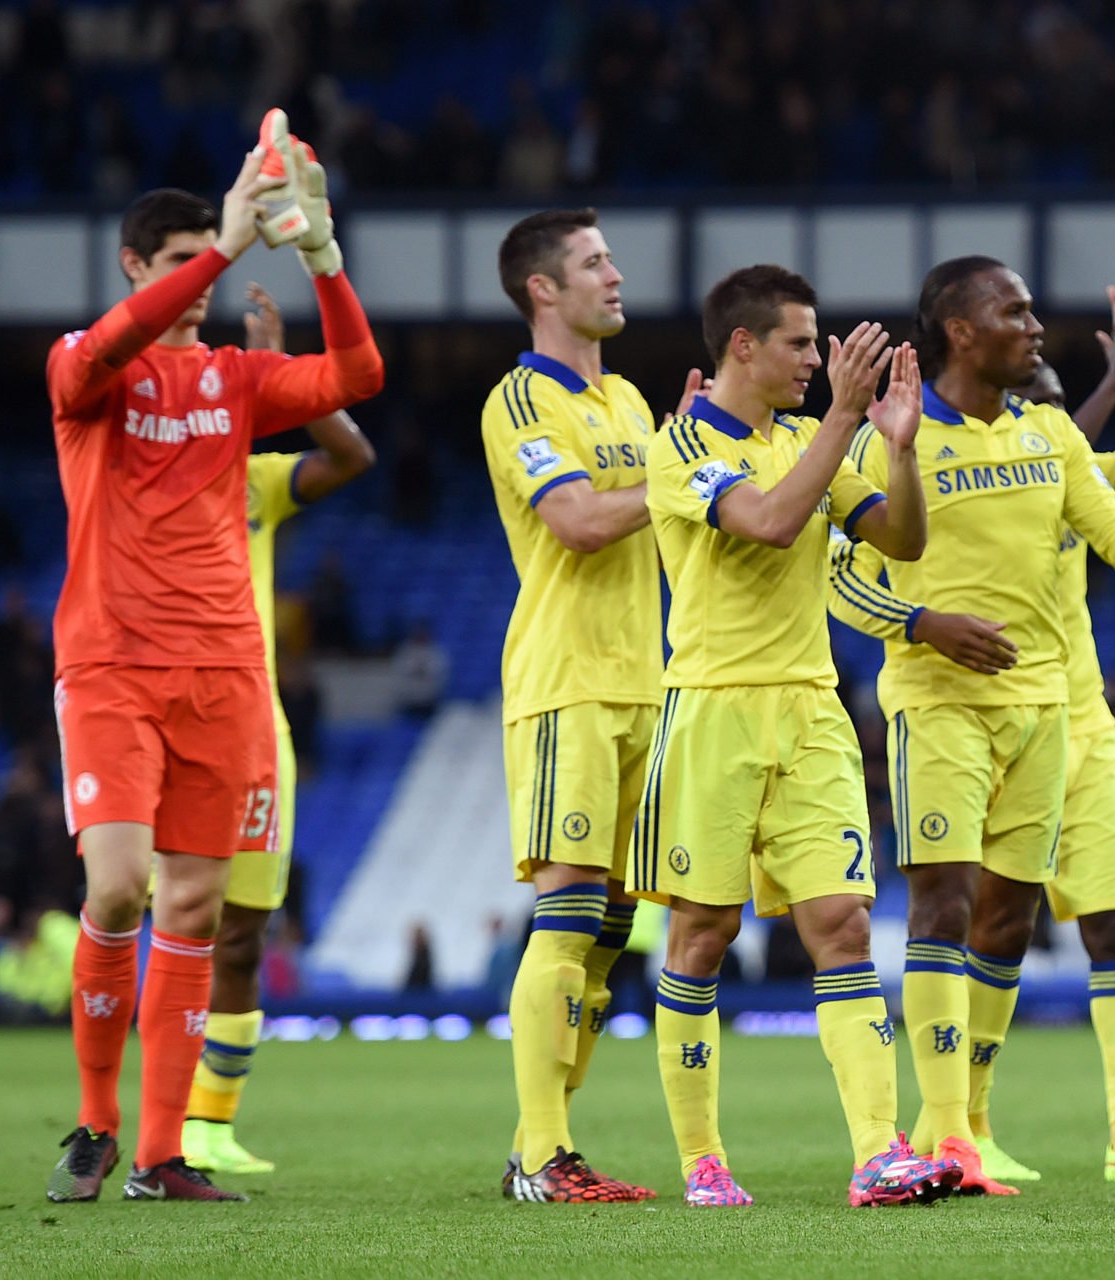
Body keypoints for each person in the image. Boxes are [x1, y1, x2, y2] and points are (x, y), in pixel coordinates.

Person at [45, 115, 383, 1205]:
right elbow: (99, 355)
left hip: (228, 675)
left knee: (194, 908)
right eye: (180, 264)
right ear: (135, 268)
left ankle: (157, 1152)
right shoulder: (82, 368)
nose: (201, 282)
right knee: (119, 885)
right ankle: (94, 1119)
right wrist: (235, 240)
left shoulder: (236, 380)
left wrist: (321, 256)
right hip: (110, 666)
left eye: (210, 261)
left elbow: (358, 378)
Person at [835, 255, 1115, 1196]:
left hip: (1047, 711)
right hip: (939, 704)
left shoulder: (1050, 432)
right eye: (1017, 311)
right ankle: (949, 1136)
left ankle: (971, 1126)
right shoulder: (890, 435)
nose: (1037, 325)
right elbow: (835, 577)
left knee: (1008, 918)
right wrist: (925, 625)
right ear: (960, 330)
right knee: (943, 906)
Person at [632, 265, 958, 1208]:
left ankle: (876, 1153)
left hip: (813, 711)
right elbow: (771, 525)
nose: (818, 362)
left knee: (844, 926)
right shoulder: (684, 441)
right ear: (744, 345)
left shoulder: (814, 442)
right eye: (801, 344)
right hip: (713, 710)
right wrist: (846, 420)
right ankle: (702, 1158)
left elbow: (901, 541)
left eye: (820, 347)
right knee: (702, 931)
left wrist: (894, 447)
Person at [482, 208, 672, 1204]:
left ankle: (535, 1142)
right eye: (594, 261)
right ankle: (547, 1156)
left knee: (611, 927)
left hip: (647, 680)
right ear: (541, 289)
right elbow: (582, 520)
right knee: (565, 908)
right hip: (567, 681)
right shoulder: (519, 402)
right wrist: (684, 469)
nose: (616, 273)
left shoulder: (635, 399)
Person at [181, 282, 378, 1178]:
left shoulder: (255, 482)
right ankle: (145, 1115)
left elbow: (352, 453)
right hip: (161, 711)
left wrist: (289, 375)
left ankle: (211, 1124)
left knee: (245, 931)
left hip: (256, 726)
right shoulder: (138, 471)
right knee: (163, 919)